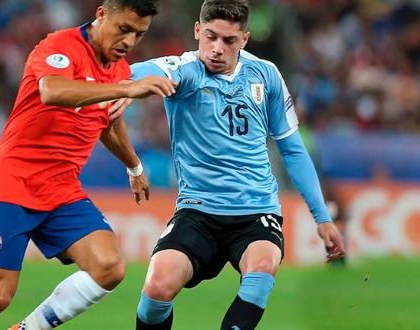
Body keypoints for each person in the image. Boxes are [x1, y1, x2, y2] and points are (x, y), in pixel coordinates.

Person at [0, 1, 177, 329]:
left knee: (109, 266)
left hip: (61, 189)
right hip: (14, 181)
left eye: (139, 34)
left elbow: (109, 124)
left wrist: (134, 166)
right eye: (123, 29)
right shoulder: (61, 45)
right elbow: (52, 90)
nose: (129, 41)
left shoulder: (119, 69)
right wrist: (125, 87)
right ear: (101, 15)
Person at [118, 0, 346, 329]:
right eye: (210, 37)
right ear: (197, 30)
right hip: (198, 211)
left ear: (244, 39)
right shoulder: (183, 71)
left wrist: (322, 217)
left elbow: (292, 150)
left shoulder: (266, 75)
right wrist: (123, 87)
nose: (216, 49)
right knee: (156, 289)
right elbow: (135, 73)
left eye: (228, 41)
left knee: (262, 268)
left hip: (255, 211)